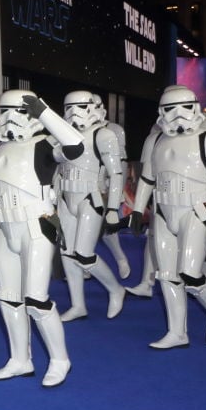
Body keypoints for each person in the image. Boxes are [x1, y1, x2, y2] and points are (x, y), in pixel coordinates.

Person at [0, 89, 83, 386]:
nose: (10, 119)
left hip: (36, 228)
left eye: (19, 111)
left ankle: (60, 360)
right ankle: (20, 360)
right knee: (8, 298)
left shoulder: (44, 145)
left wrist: (44, 111)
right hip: (5, 229)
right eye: (4, 111)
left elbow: (75, 145)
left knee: (36, 300)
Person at [128, 86, 206, 349]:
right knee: (166, 275)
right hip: (163, 211)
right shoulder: (155, 141)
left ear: (195, 107)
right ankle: (177, 332)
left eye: (184, 107)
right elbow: (147, 178)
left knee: (191, 274)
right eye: (169, 109)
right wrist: (138, 209)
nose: (177, 115)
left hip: (195, 210)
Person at [53, 90, 126, 322]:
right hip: (66, 198)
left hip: (89, 197)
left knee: (84, 254)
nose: (74, 113)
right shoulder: (61, 135)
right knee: (67, 254)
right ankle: (78, 305)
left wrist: (113, 208)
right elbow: (57, 171)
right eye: (69, 108)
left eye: (81, 107)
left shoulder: (103, 135)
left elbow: (116, 173)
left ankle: (115, 289)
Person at [93, 94, 131, 279]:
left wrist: (116, 189)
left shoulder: (114, 130)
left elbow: (120, 163)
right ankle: (86, 264)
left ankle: (121, 259)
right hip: (83, 183)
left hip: (105, 183)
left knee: (108, 229)